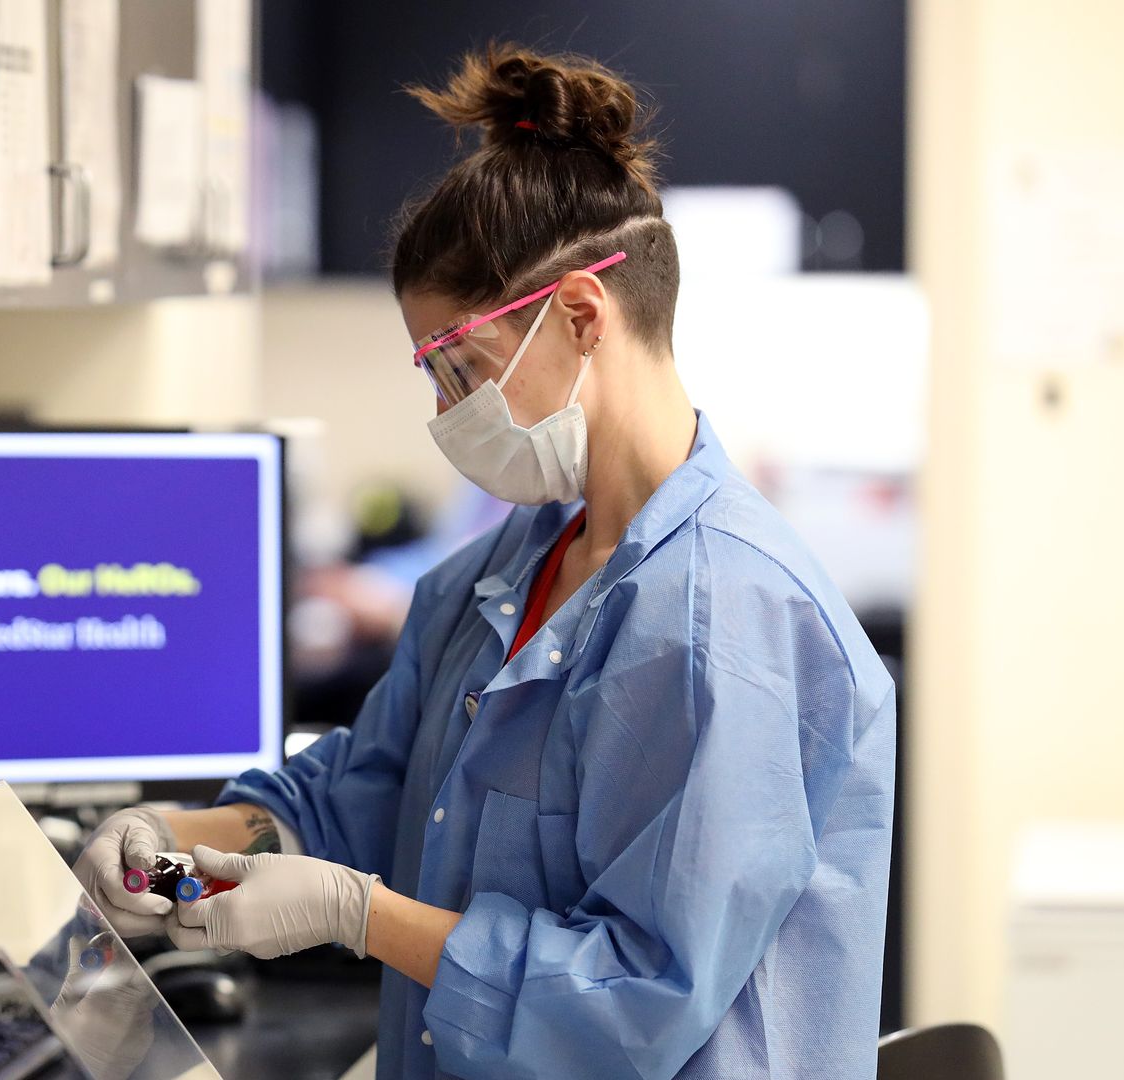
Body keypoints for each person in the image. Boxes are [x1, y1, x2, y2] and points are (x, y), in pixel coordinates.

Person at [73, 44, 895, 1079]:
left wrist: (356, 914)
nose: (446, 412)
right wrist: (177, 831)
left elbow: (632, 1002)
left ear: (584, 318)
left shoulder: (725, 621)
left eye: (462, 369)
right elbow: (363, 789)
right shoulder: (509, 566)